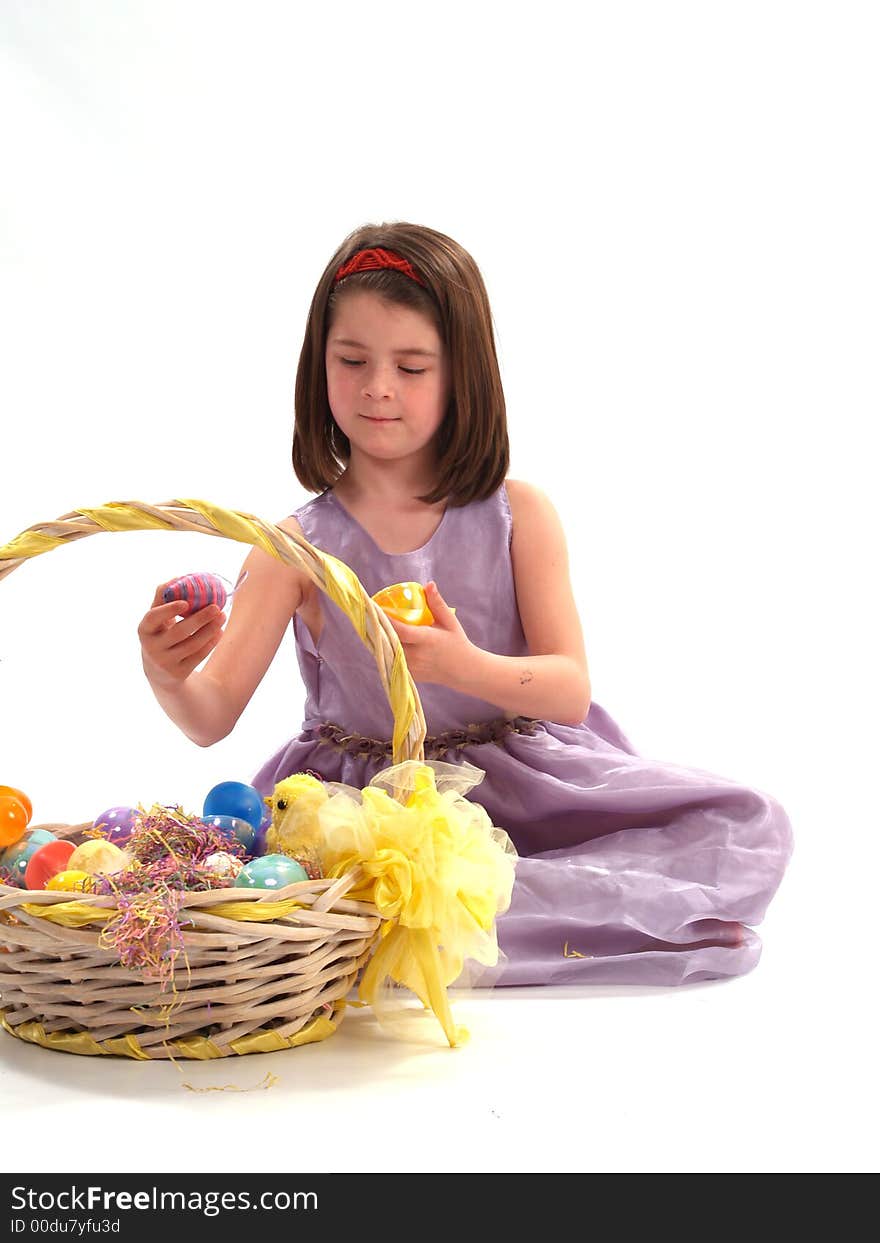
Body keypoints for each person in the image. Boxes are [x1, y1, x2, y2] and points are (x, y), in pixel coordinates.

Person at [138, 222, 794, 987]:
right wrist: (168, 675)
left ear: (462, 376)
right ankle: (442, 918)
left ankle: (454, 920)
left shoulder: (518, 515)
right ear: (319, 366)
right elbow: (211, 713)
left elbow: (568, 689)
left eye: (412, 366)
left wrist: (465, 664)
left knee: (749, 822)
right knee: (361, 887)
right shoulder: (292, 549)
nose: (378, 386)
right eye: (351, 361)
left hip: (524, 788)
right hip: (373, 813)